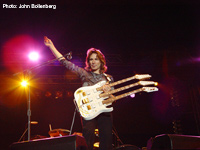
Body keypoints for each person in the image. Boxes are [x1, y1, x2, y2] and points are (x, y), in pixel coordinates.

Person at [44, 36, 114, 150]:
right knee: (88, 136)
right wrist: (52, 46)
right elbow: (64, 62)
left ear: (101, 61)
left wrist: (109, 93)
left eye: (96, 59)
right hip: (89, 110)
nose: (93, 61)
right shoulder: (84, 73)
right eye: (91, 59)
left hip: (104, 112)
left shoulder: (108, 78)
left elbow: (113, 99)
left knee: (106, 139)